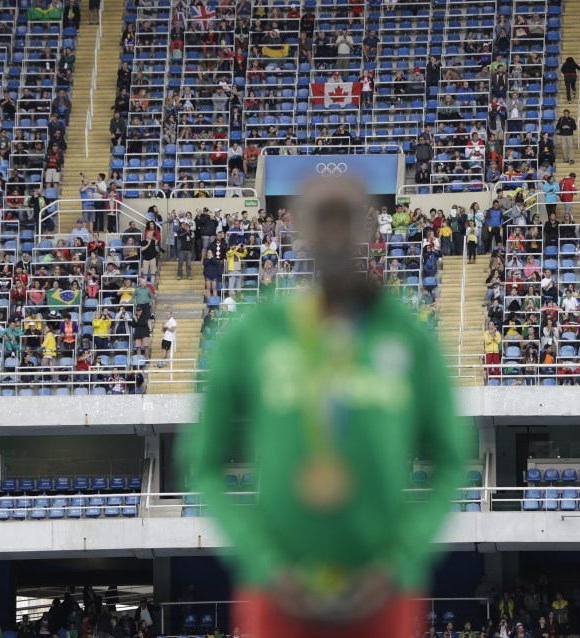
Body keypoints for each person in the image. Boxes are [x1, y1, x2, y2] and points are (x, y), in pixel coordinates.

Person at [186, 175, 470, 638]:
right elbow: (203, 464)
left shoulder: (405, 332)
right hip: (276, 594)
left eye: (346, 219)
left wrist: (398, 559)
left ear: (367, 229)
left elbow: (452, 460)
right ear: (301, 229)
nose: (335, 233)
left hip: (382, 594)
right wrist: (266, 561)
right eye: (323, 219)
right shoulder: (252, 332)